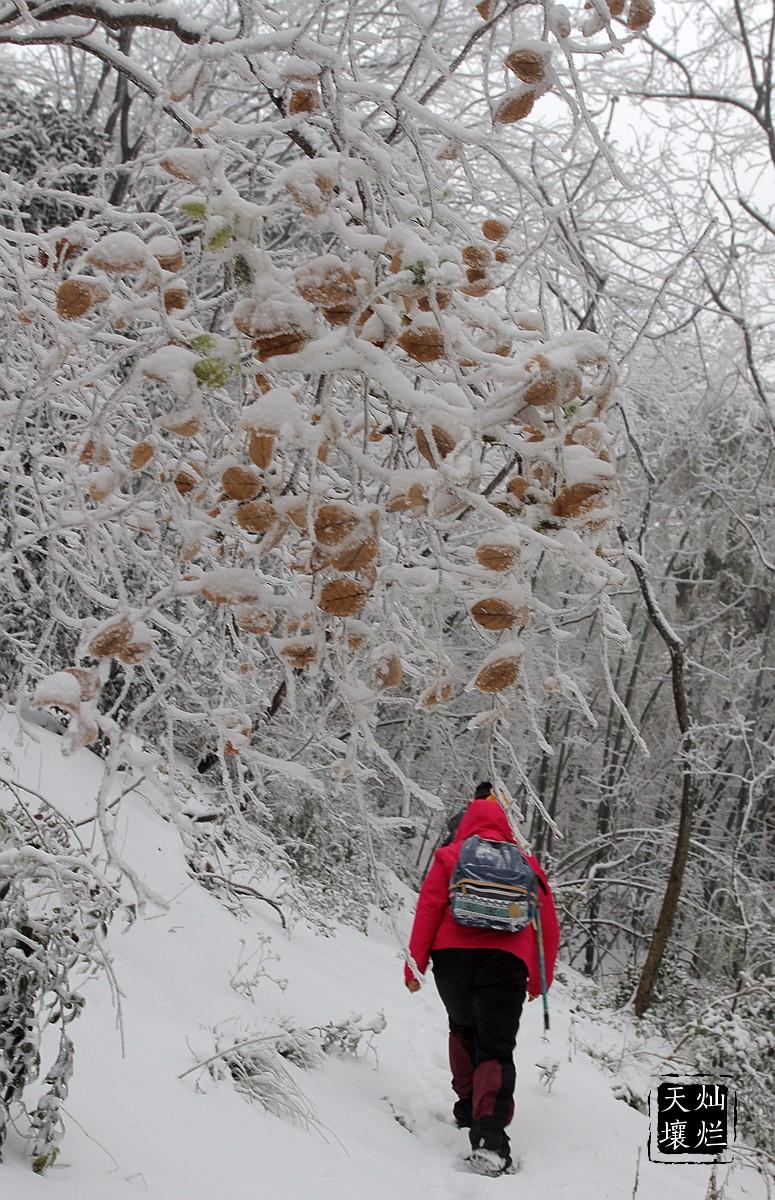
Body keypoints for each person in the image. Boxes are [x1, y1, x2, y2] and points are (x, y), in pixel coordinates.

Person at [404, 783, 559, 1176]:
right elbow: (547, 925)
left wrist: (414, 965)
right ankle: (489, 1137)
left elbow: (429, 909)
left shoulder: (449, 855)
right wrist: (540, 979)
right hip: (507, 960)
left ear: (465, 823)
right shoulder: (526, 863)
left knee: (462, 1028)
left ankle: (466, 1106)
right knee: (495, 1045)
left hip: (452, 959)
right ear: (506, 826)